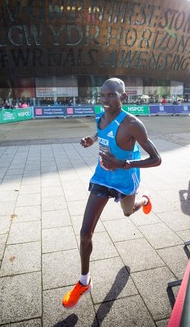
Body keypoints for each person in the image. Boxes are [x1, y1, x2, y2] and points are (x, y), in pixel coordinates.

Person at [62, 77, 162, 309]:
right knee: (85, 233)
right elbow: (102, 134)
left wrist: (123, 164)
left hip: (125, 177)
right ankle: (84, 281)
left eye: (111, 95)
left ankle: (143, 199)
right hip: (102, 177)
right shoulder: (100, 116)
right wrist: (92, 140)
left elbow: (156, 159)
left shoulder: (133, 124)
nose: (105, 100)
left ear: (123, 97)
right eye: (103, 95)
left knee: (128, 212)